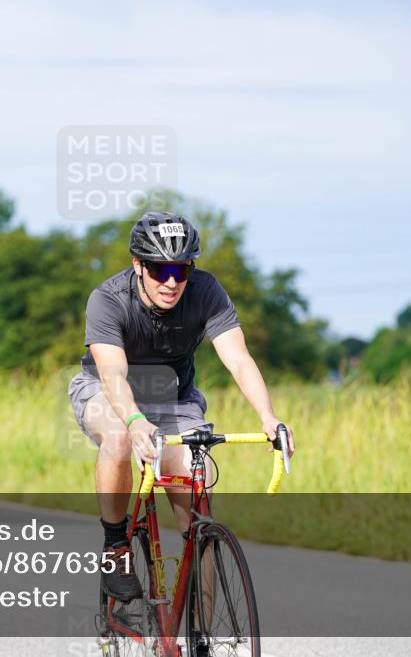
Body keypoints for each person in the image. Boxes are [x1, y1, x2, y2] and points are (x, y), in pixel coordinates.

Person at [67, 212, 295, 602]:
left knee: (199, 495)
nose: (172, 282)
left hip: (175, 399)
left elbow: (238, 358)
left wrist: (268, 417)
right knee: (120, 437)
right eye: (159, 270)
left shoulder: (206, 292)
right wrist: (136, 420)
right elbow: (114, 376)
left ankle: (198, 632)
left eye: (182, 269)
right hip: (106, 391)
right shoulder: (107, 300)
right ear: (138, 265)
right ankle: (116, 547)